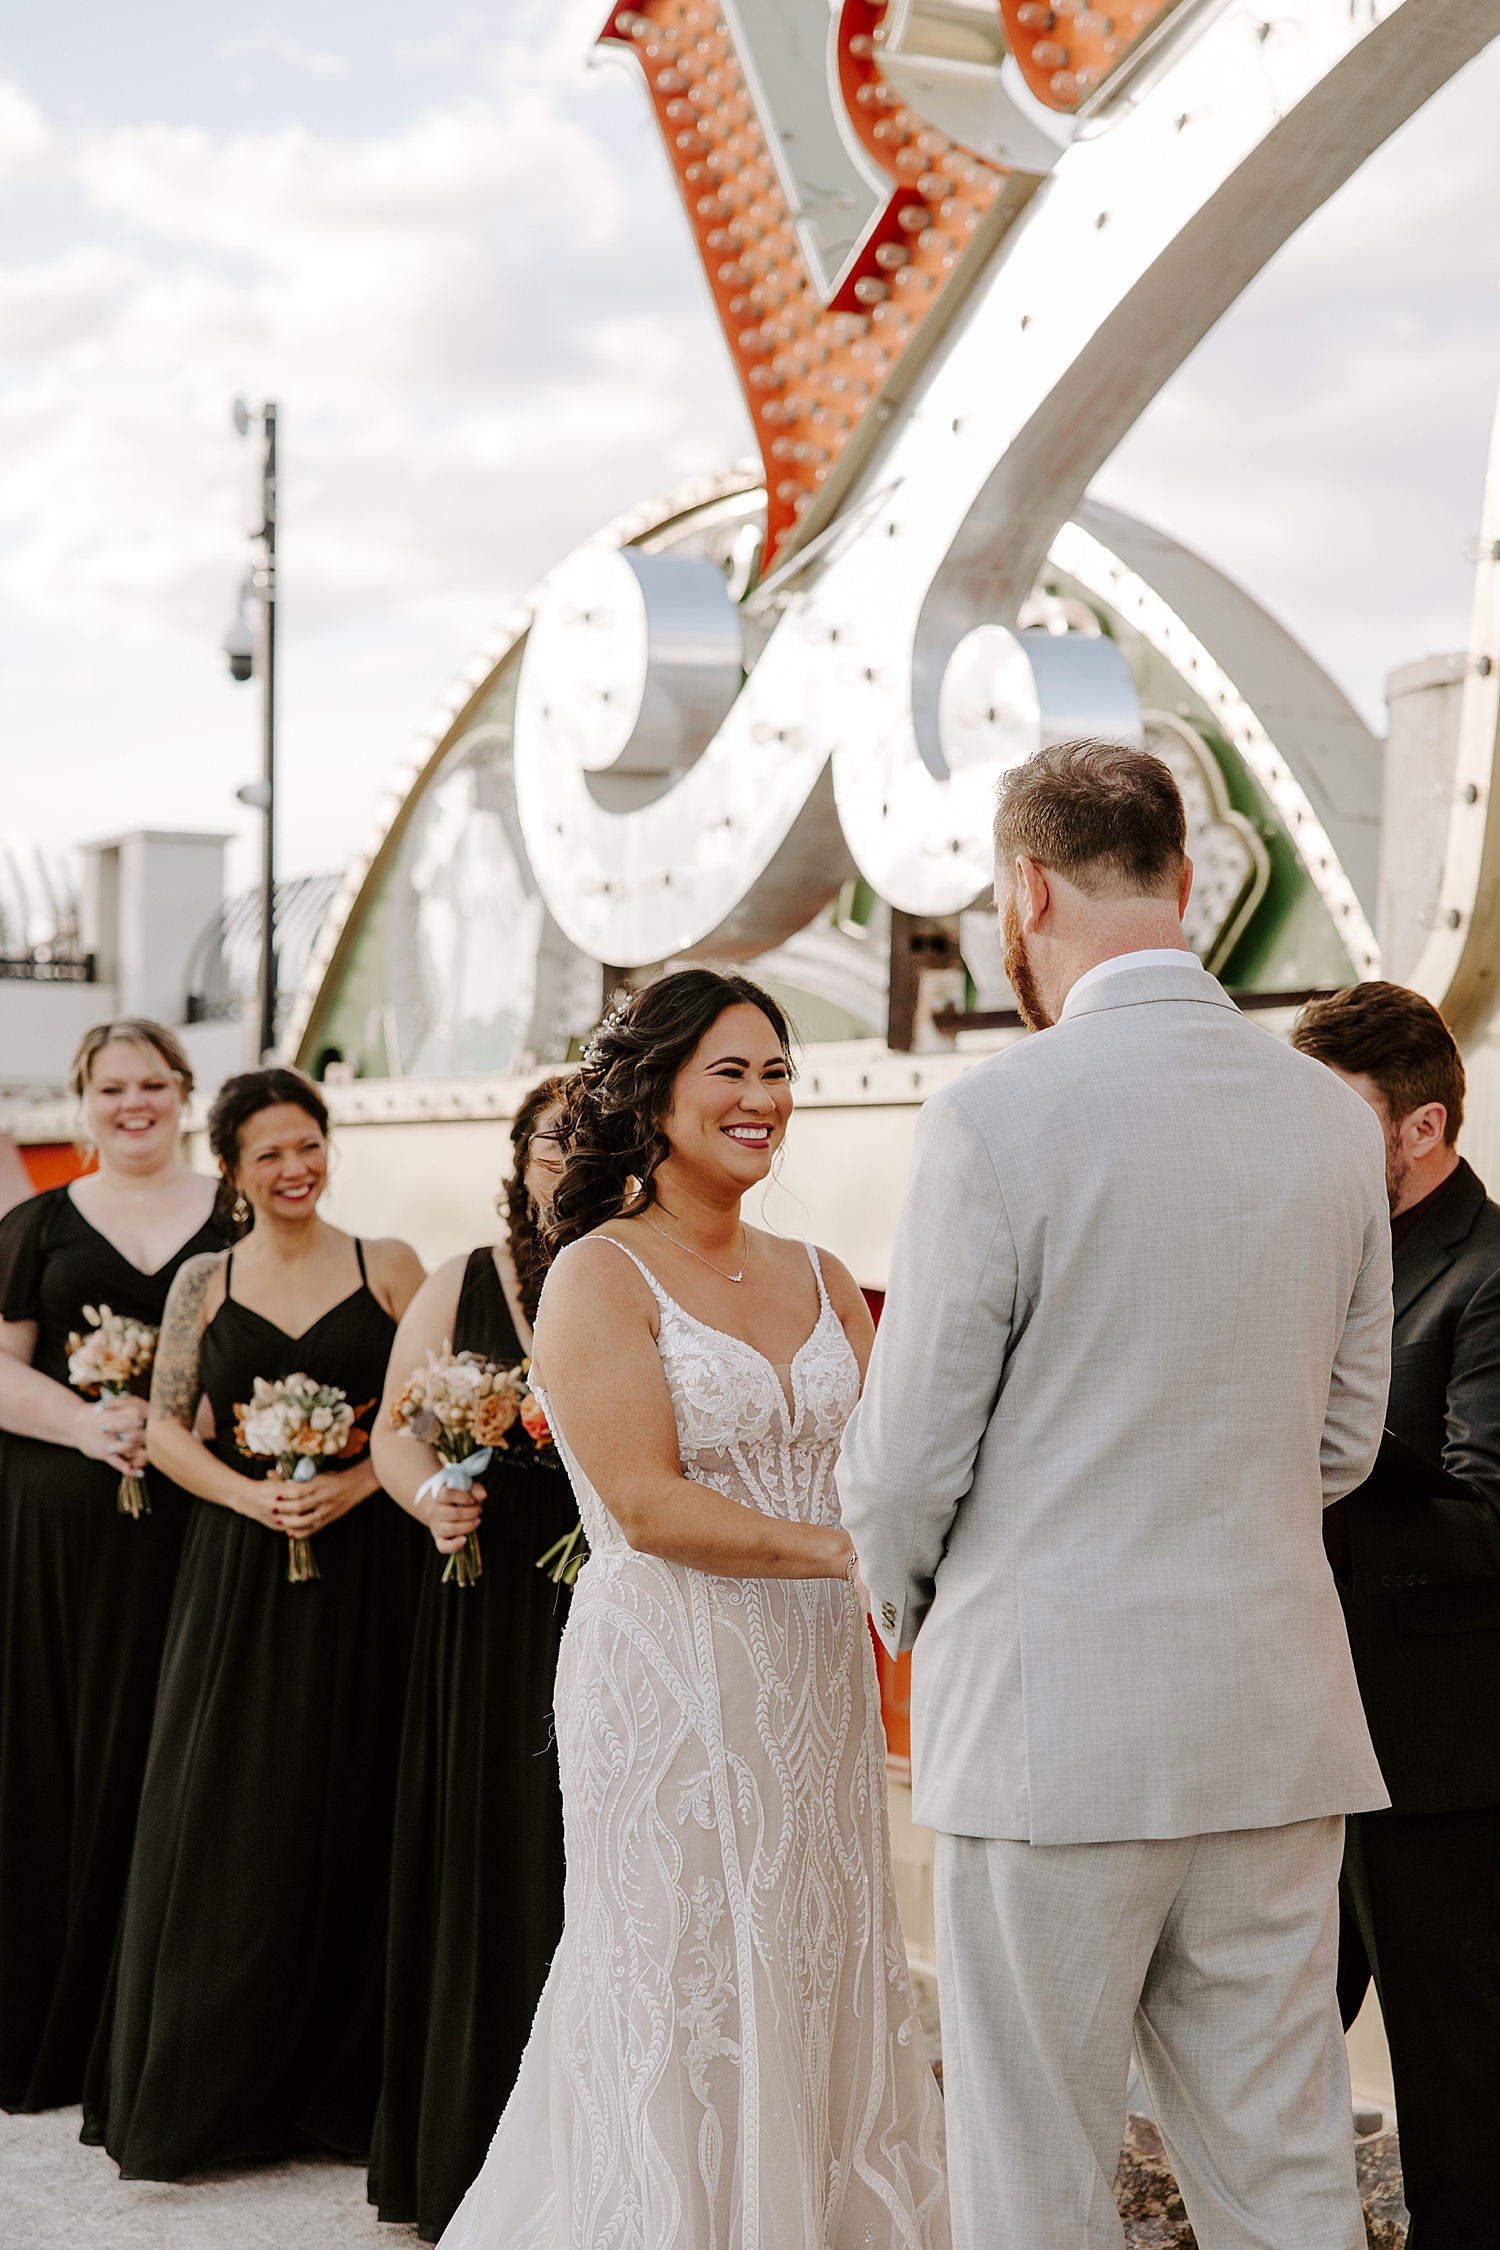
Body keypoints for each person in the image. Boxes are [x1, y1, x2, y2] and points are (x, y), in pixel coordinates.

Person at [837, 741, 1394, 2250]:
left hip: (1042, 1721)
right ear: (1184, 876)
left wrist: (909, 1607)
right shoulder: (1336, 1120)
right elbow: (1344, 1439)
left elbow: (901, 1463)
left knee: (1034, 2166)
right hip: (1275, 1718)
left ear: (1025, 888)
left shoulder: (994, 1116)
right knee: (1284, 2161)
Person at [440, 967, 947, 2250]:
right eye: (731, 1071)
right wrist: (848, 1552)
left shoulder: (826, 1272)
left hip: (813, 1670)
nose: (764, 1098)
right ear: (656, 1096)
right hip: (668, 1669)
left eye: (778, 1071)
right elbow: (650, 1505)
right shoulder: (597, 1276)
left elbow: (892, 1463)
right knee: (688, 1961)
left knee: (822, 1943)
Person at [80, 1067, 426, 2179]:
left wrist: (354, 1487)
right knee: (230, 1814)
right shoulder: (204, 1282)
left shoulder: (390, 1268)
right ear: (231, 1167)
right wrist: (253, 1494)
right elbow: (170, 1426)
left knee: (358, 1801)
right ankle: (216, 2090)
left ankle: (340, 2096)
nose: (296, 1169)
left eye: (309, 1145)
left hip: (371, 1570)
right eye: (270, 1153)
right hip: (238, 1571)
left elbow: (423, 1412)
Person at [1291, 980, 1500, 2245]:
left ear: (1419, 1129)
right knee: (1259, 2062)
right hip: (1297, 1734)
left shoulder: (1490, 1274)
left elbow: (1488, 1518)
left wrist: (1325, 1435)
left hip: (1431, 1760)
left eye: (1330, 1119)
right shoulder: (1324, 1253)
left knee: (1455, 2089)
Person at [367, 1076, 580, 2243]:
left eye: (594, 1139)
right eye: (556, 1140)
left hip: (612, 1596)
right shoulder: (462, 1283)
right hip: (490, 1596)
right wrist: (430, 1501)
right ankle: (467, 2144)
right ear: (520, 1157)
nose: (571, 1157)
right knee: (492, 1845)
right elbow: (397, 1431)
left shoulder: (644, 1263)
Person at [0, 1020, 224, 2114]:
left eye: (153, 1083)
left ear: (186, 1092)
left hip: (195, 1530)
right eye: (111, 1086)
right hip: (58, 1537)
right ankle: (47, 2017)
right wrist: (92, 1429)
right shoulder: (36, 1225)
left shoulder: (235, 1212)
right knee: (56, 1752)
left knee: (170, 1754)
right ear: (84, 1101)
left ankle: (156, 2030)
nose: (134, 1103)